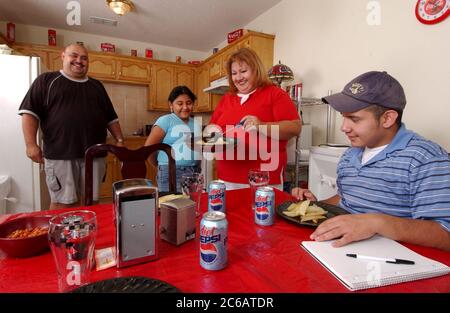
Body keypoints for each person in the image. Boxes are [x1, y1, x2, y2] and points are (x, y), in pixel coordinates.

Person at [292, 71, 450, 251]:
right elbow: (347, 198)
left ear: (387, 118)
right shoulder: (350, 155)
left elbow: (445, 233)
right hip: (340, 250)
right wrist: (316, 205)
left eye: (354, 119)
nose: (343, 127)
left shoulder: (425, 159)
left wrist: (377, 222)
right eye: (343, 117)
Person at [18, 43, 125, 210]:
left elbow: (111, 118)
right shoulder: (46, 81)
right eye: (74, 56)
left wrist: (119, 140)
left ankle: (88, 235)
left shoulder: (97, 86)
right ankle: (61, 236)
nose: (79, 61)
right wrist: (30, 145)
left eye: (84, 58)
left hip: (94, 156)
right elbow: (29, 113)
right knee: (64, 203)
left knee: (92, 202)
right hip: (61, 155)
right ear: (63, 56)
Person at [207, 47, 301, 190]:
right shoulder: (226, 99)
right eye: (234, 73)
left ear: (256, 70)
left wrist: (261, 126)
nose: (238, 77)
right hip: (226, 179)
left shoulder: (275, 94)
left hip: (262, 181)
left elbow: (295, 128)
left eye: (244, 71)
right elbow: (212, 131)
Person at [145, 85, 201, 192]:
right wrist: (158, 164)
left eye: (189, 103)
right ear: (171, 104)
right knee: (171, 206)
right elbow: (148, 149)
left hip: (194, 171)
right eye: (180, 103)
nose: (185, 107)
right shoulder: (165, 121)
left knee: (190, 205)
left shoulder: (196, 123)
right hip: (171, 171)